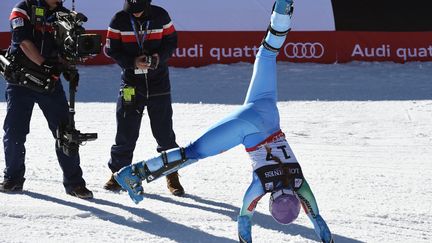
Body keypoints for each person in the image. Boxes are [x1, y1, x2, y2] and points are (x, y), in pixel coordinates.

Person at [114, 0, 333, 242]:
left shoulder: (301, 184)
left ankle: (282, 14)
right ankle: (133, 173)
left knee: (268, 54)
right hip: (246, 127)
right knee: (193, 153)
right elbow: (244, 222)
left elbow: (319, 222)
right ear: (271, 203)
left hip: (267, 110)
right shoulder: (260, 187)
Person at [0, 0, 93, 199]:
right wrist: (45, 65)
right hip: (20, 80)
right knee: (15, 132)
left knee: (66, 133)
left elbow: (65, 49)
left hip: (50, 83)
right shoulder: (22, 9)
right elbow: (23, 42)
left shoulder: (65, 15)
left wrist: (68, 67)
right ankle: (13, 179)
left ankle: (75, 183)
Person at [104, 0, 185, 196]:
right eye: (132, 10)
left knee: (165, 133)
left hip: (159, 84)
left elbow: (171, 41)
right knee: (125, 132)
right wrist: (132, 62)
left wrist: (158, 59)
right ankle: (118, 174)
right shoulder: (119, 19)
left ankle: (172, 175)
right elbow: (110, 49)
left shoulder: (161, 15)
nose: (135, 14)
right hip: (131, 84)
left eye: (139, 11)